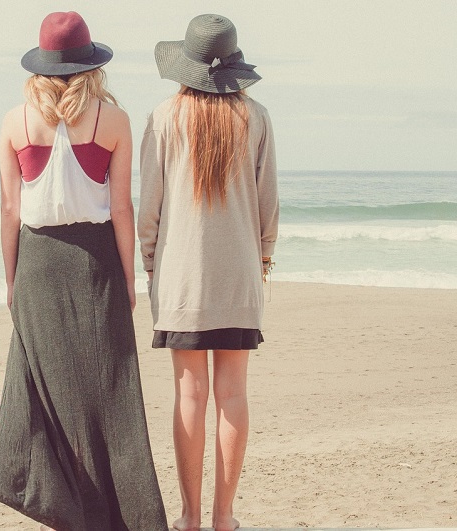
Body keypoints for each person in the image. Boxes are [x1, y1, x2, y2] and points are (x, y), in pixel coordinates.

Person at [0, 11, 168, 531]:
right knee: (110, 390)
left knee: (46, 388)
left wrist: (12, 279)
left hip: (37, 260)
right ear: (89, 65)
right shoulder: (112, 119)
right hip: (96, 257)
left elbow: (10, 211)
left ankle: (64, 506)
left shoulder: (16, 121)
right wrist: (130, 275)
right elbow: (121, 207)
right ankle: (123, 514)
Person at [137, 14, 279, 531]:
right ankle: (224, 518)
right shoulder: (256, 117)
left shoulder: (164, 116)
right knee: (234, 393)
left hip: (181, 277)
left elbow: (148, 207)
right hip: (239, 274)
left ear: (186, 66)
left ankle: (190, 517)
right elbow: (268, 207)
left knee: (189, 394)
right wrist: (261, 262)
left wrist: (153, 266)